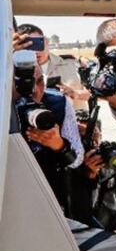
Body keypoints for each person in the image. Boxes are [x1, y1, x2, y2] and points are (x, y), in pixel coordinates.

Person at [10, 54, 87, 219]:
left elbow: (77, 159)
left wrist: (58, 145)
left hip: (48, 196)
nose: (34, 90)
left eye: (39, 81)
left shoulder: (59, 103)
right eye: (22, 84)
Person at [13, 23, 87, 110]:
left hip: (73, 120)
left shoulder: (72, 64)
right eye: (28, 46)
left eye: (37, 44)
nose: (35, 51)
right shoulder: (10, 71)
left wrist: (74, 93)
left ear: (46, 41)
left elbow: (89, 94)